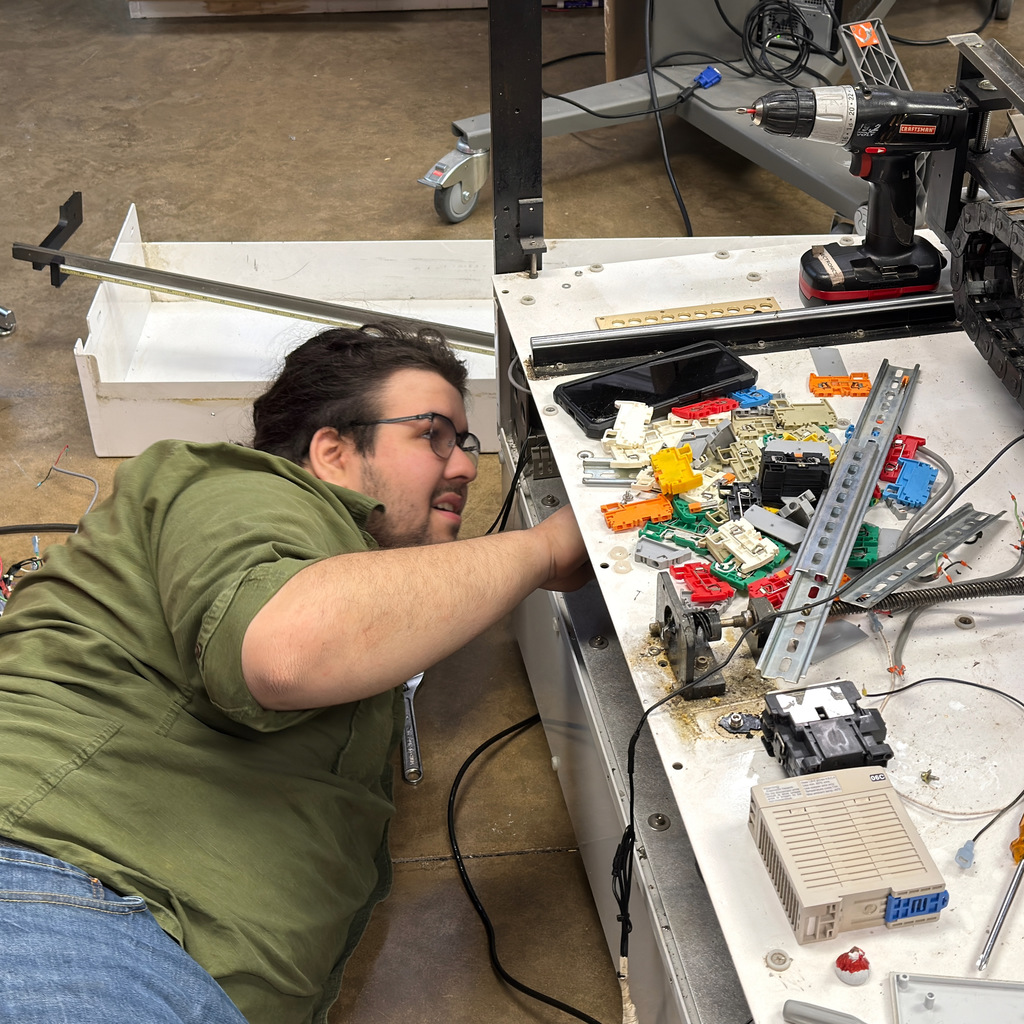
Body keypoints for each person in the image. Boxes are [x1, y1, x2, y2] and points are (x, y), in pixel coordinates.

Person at [0, 322, 590, 1024]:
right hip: (68, 905)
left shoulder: (350, 597)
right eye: (433, 434)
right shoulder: (233, 484)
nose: (465, 464)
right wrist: (546, 550)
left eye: (465, 442)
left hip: (145, 951)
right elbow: (288, 650)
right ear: (333, 451)